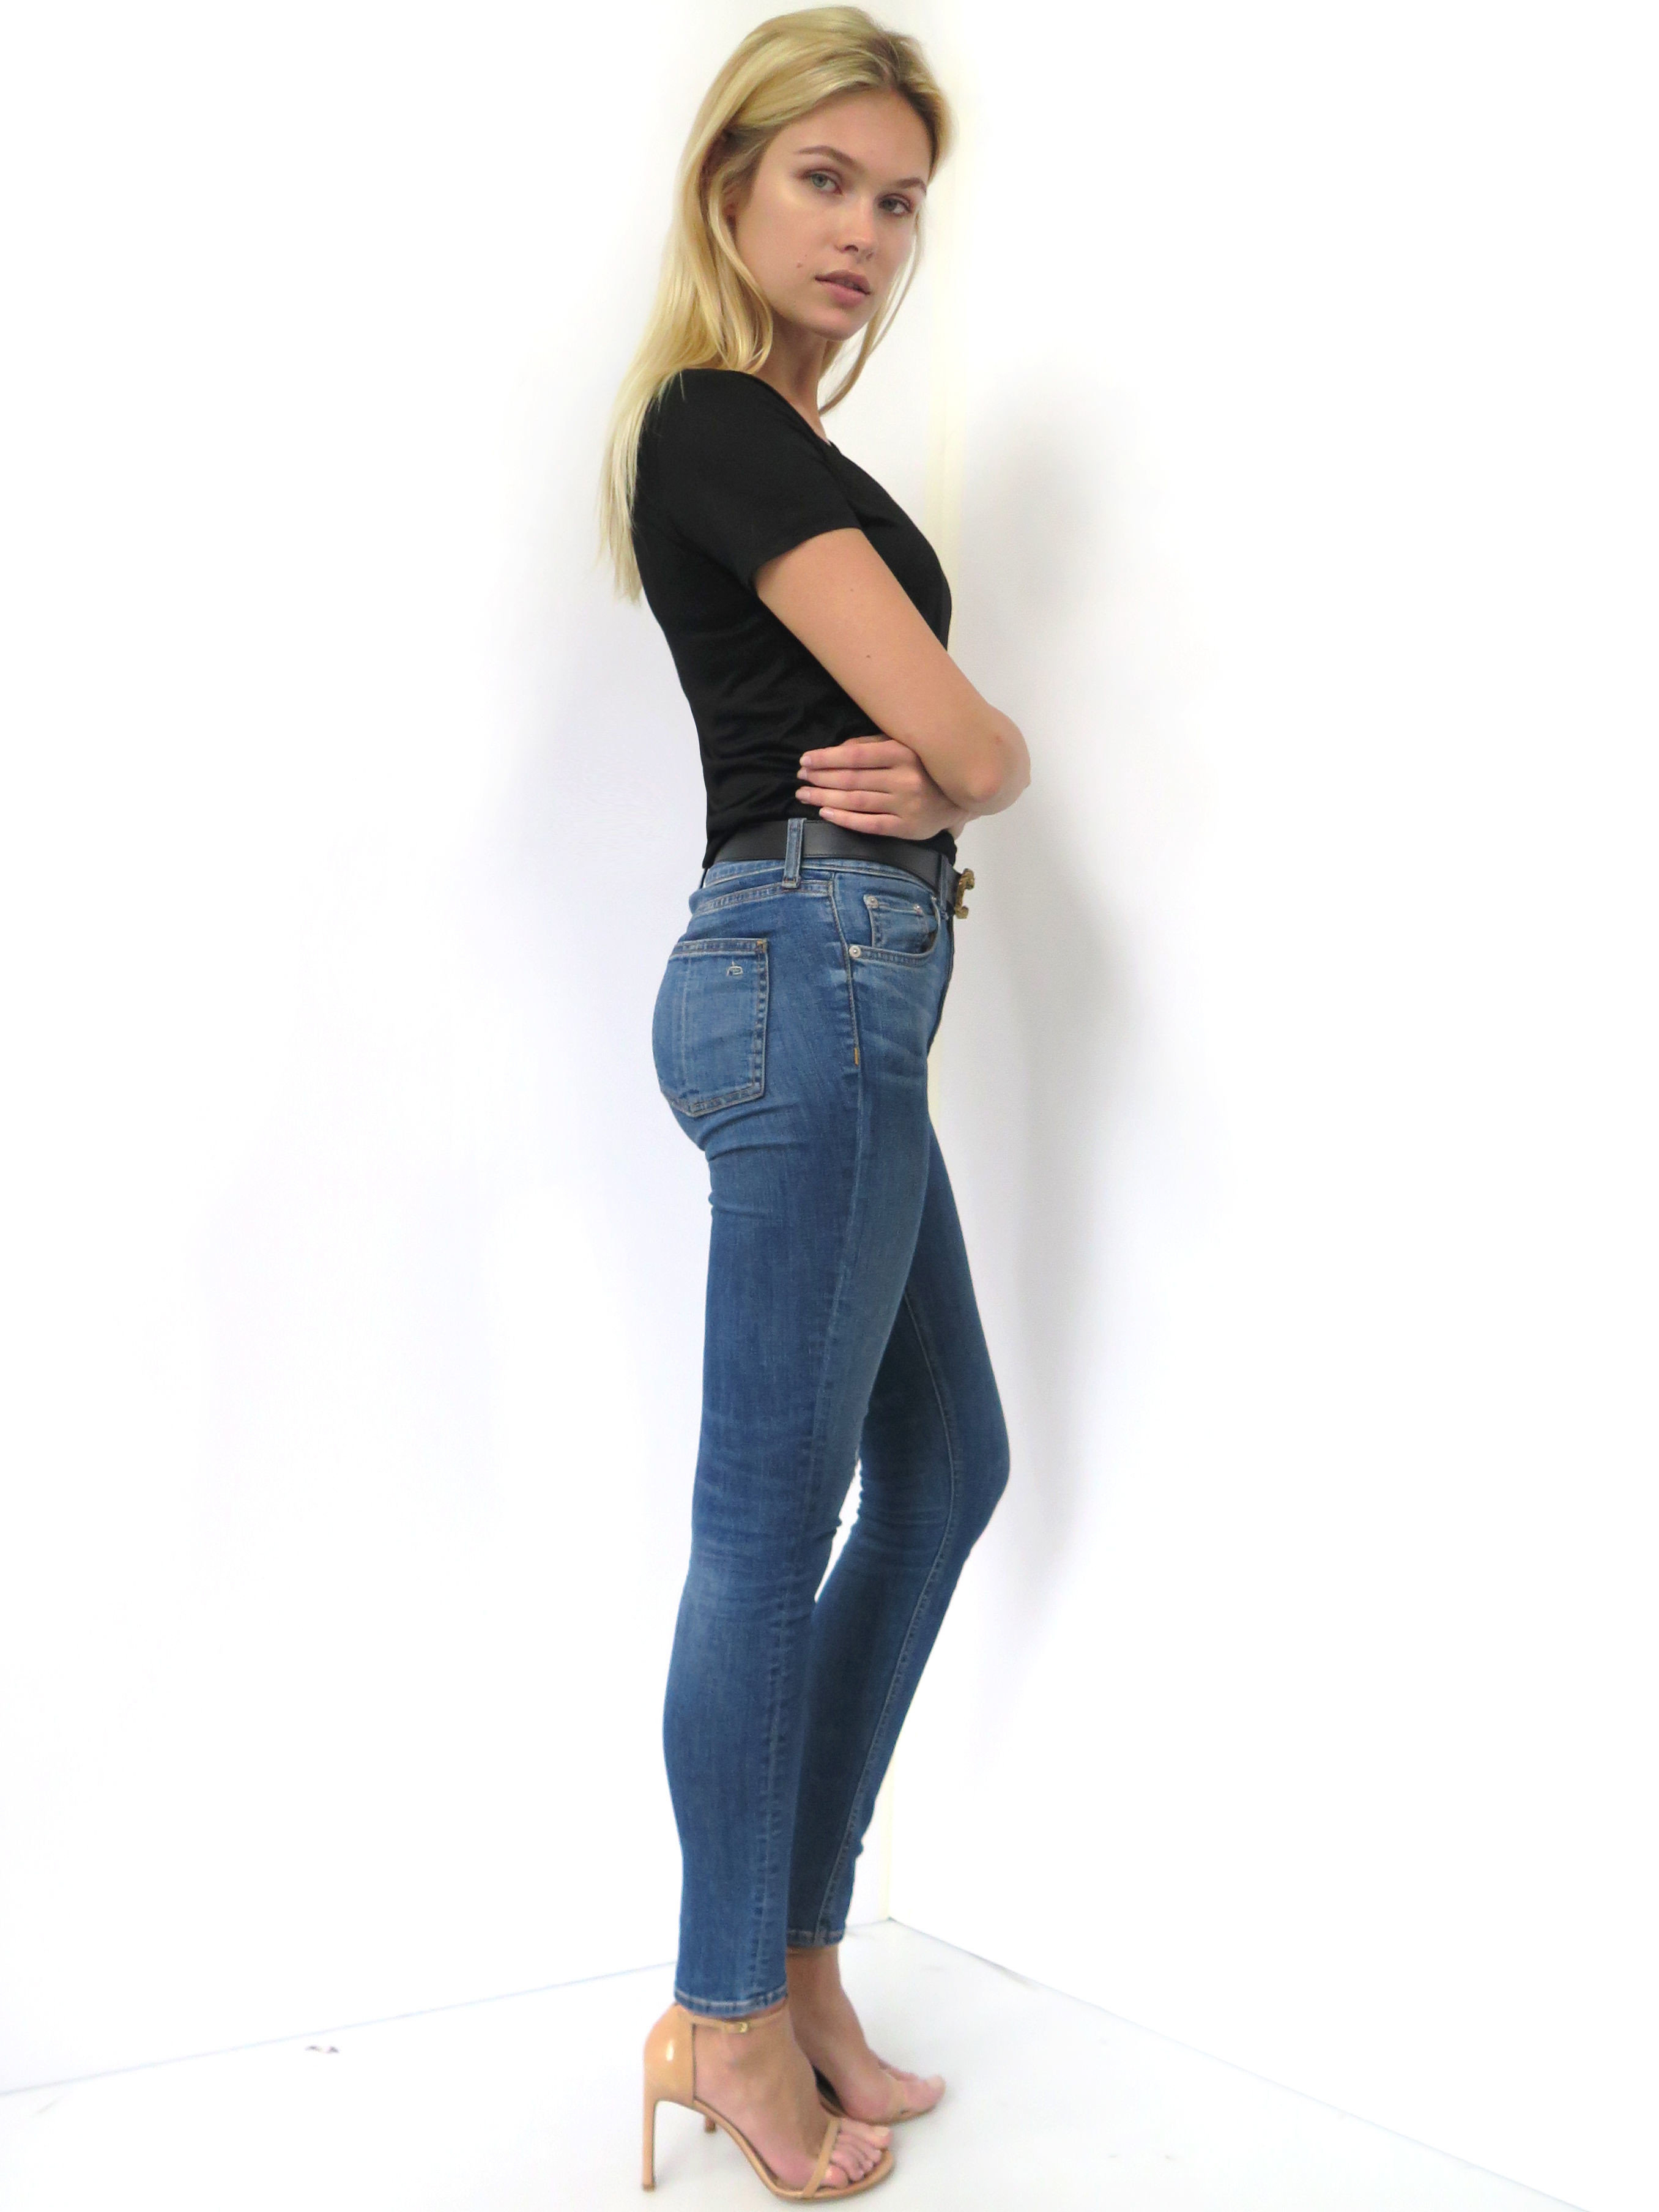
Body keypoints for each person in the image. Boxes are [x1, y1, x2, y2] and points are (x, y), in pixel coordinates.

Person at [600, 8, 1030, 2197]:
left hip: (839, 976)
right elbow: (970, 736)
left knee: (945, 1465)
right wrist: (975, 768)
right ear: (731, 188)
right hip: (809, 961)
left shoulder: (782, 442)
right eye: (826, 181)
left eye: (900, 202)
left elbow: (947, 753)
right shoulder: (716, 422)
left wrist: (957, 778)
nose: (866, 232)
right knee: (767, 1525)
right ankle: (726, 2013)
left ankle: (791, 1952)